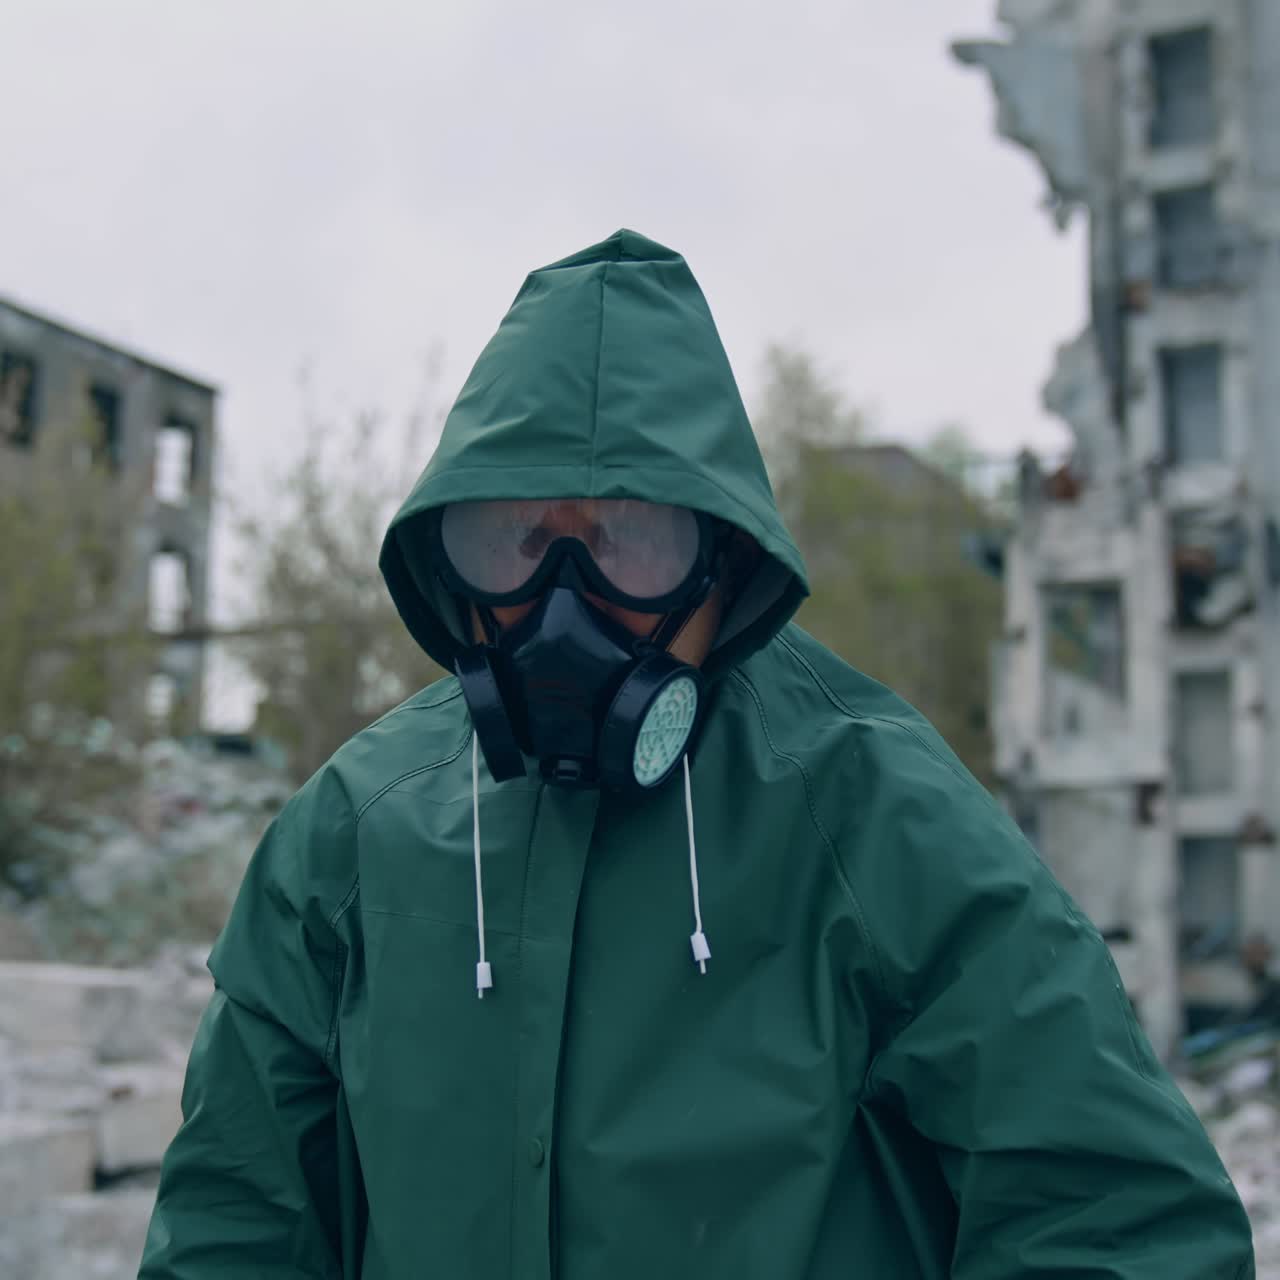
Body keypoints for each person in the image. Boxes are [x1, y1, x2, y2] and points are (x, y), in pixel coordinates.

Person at [140, 230, 1255, 1279]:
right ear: (448, 569)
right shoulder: (351, 836)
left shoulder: (873, 815)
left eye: (630, 541)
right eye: (514, 544)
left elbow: (1119, 1217)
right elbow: (237, 1222)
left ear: (722, 567)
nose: (562, 607)